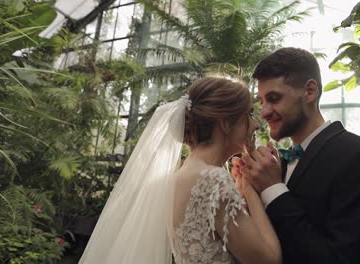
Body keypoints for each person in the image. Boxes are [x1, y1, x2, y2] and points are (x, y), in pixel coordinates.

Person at [79, 77, 282, 264]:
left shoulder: (177, 178)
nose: (255, 124)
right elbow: (270, 260)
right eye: (248, 114)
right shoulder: (213, 180)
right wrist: (249, 188)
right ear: (225, 123)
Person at [233, 47, 360, 264]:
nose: (263, 112)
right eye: (261, 101)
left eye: (273, 98)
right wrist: (248, 193)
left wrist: (273, 189)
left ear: (310, 91)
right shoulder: (274, 164)